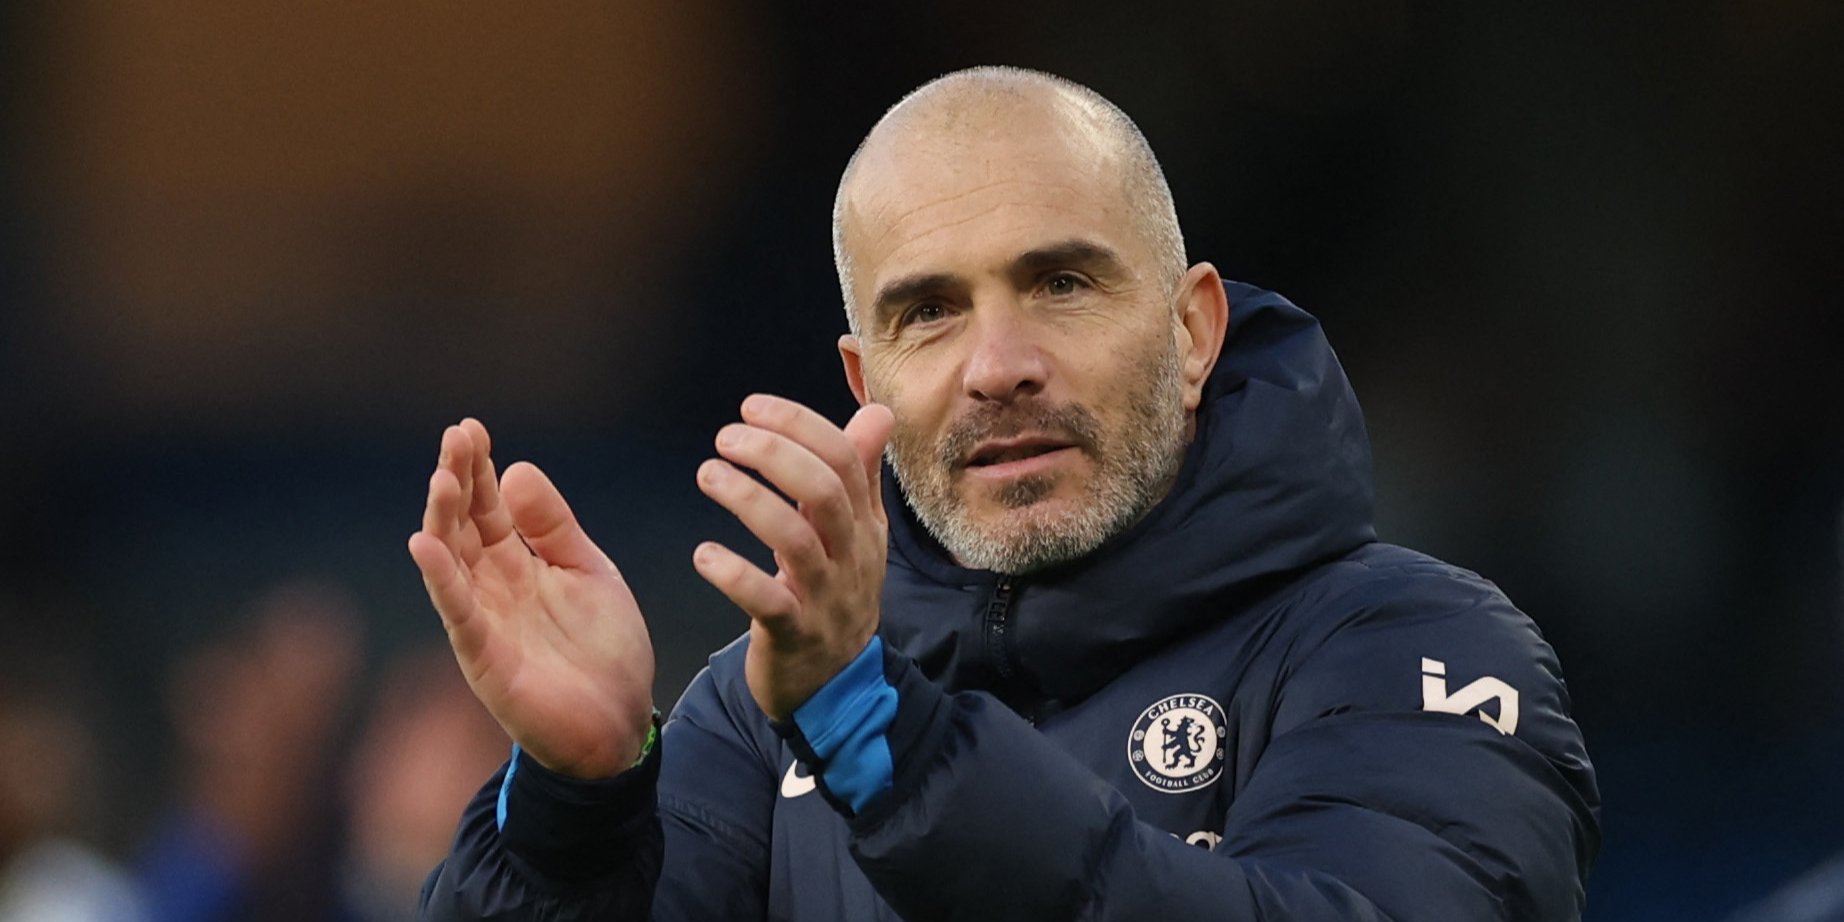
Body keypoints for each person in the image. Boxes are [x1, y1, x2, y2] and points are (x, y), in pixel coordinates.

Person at [409, 66, 1601, 920]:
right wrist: (576, 809)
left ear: (1192, 333)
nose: (997, 366)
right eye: (928, 312)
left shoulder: (1414, 647)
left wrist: (884, 742)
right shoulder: (755, 710)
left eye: (1061, 284)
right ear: (864, 382)